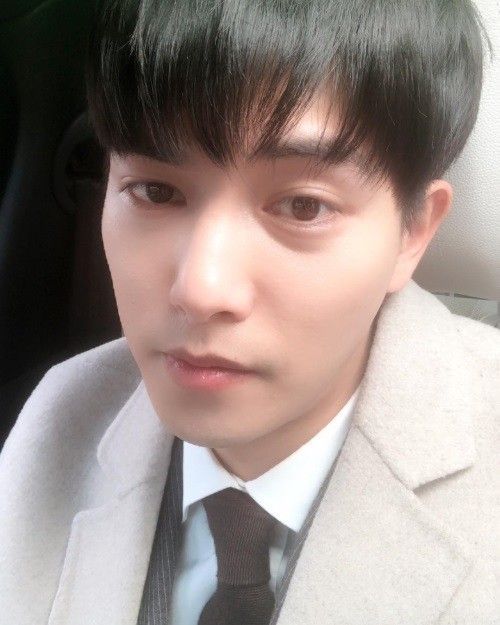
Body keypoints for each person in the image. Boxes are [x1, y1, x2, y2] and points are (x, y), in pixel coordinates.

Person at [0, 0, 498, 623]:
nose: (201, 290)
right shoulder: (60, 418)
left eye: (303, 207)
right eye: (156, 190)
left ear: (412, 232)